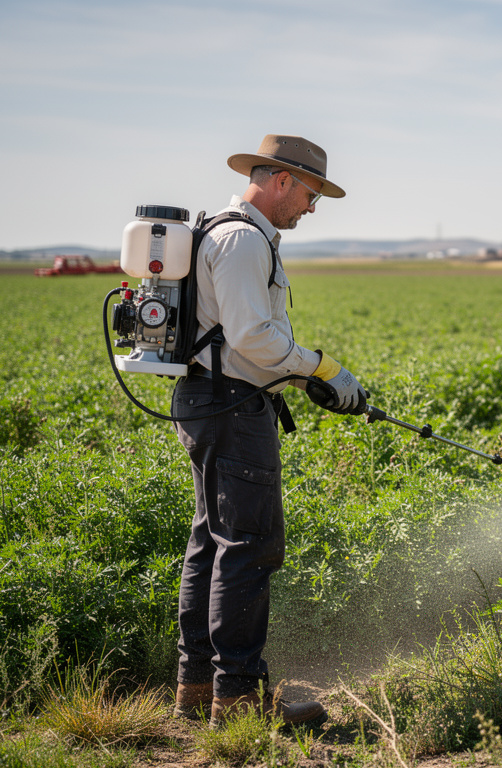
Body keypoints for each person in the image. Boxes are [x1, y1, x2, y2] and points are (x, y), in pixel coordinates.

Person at [170, 134, 369, 728]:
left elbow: (240, 339)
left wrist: (303, 380)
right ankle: (238, 701)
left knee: (213, 541)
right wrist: (319, 366)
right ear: (282, 181)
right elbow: (253, 337)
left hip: (215, 399)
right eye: (311, 194)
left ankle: (199, 689)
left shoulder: (229, 232)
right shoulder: (242, 240)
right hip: (230, 406)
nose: (312, 207)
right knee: (250, 545)